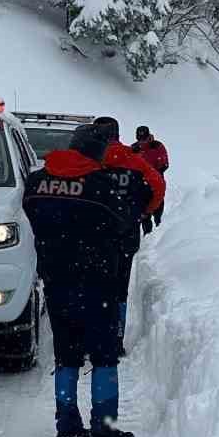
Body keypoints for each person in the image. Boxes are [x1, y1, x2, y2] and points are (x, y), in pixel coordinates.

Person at [23, 122, 153, 437]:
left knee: (66, 354)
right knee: (104, 355)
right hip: (98, 282)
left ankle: (66, 423)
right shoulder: (102, 185)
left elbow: (29, 213)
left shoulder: (37, 182)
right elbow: (124, 222)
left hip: (55, 280)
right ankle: (104, 427)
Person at [92, 116, 164, 353]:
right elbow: (158, 186)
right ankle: (115, 340)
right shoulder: (133, 159)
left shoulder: (89, 160)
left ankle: (90, 337)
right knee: (119, 287)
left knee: (91, 285)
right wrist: (144, 212)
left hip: (92, 235)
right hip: (126, 233)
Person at [131, 125, 170, 233]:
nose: (142, 142)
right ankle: (147, 235)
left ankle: (159, 229)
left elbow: (164, 164)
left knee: (157, 207)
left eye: (144, 139)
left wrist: (153, 174)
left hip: (156, 183)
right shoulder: (134, 148)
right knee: (144, 212)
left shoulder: (157, 146)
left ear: (149, 136)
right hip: (140, 184)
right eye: (139, 139)